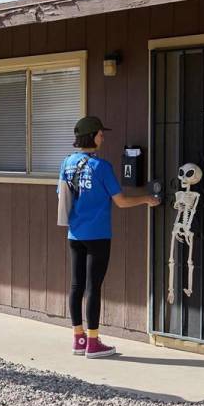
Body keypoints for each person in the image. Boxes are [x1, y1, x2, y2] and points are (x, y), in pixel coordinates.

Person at [60, 116, 159, 359]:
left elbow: (62, 197)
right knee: (93, 287)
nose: (103, 137)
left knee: (76, 285)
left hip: (75, 233)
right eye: (100, 133)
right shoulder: (101, 167)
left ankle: (78, 338)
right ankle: (93, 343)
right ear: (92, 136)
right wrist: (147, 199)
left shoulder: (67, 163)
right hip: (98, 235)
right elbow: (121, 201)